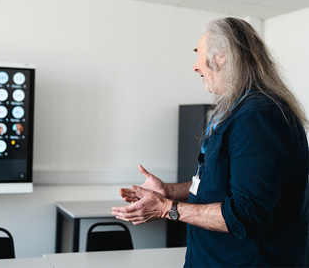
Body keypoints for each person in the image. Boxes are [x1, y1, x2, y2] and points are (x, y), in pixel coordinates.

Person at [111, 17, 309, 267]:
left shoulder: (259, 116)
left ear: (222, 56)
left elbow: (247, 215)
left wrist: (166, 208)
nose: (195, 66)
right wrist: (168, 191)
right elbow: (218, 184)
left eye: (199, 55)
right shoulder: (239, 111)